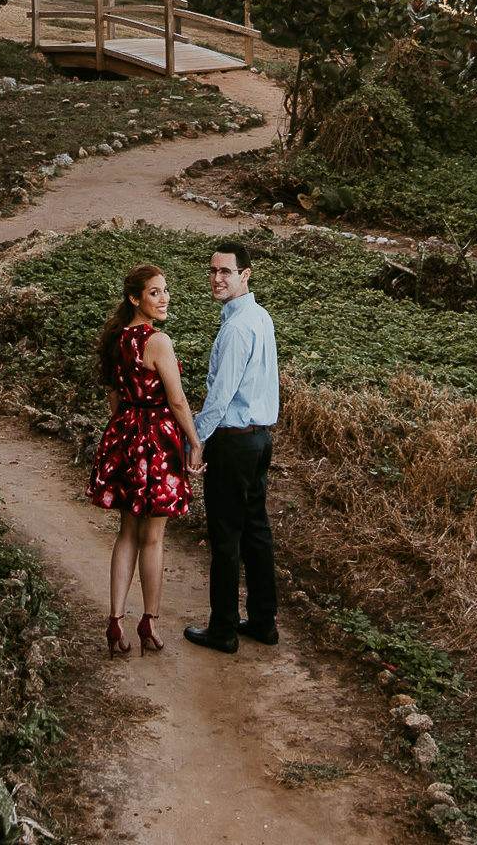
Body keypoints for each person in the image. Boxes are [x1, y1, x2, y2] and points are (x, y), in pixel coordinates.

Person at [87, 263, 202, 656]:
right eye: (155, 292)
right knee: (152, 538)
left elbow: (114, 399)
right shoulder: (158, 341)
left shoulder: (117, 339)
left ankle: (115, 621)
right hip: (157, 440)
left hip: (125, 435)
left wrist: (123, 433)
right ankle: (149, 622)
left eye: (166, 290)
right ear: (135, 298)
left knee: (126, 534)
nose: (164, 298)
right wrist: (195, 442)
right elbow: (177, 400)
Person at [183, 242, 280, 654]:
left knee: (226, 537)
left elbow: (221, 397)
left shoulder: (239, 327)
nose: (217, 278)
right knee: (256, 530)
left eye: (225, 271)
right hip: (259, 440)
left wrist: (196, 441)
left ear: (245, 274)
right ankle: (263, 622)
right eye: (212, 271)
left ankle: (223, 629)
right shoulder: (259, 316)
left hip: (235, 441)